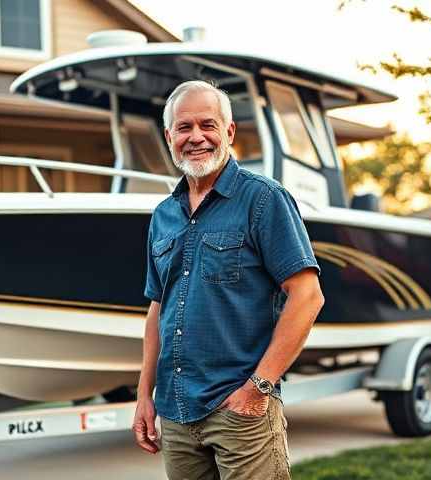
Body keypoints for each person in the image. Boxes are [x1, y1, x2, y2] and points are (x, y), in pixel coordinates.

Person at [132, 80, 325, 480]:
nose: (196, 137)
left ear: (230, 132)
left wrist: (259, 388)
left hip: (240, 410)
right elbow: (157, 310)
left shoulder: (264, 199)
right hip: (176, 412)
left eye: (208, 125)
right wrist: (144, 396)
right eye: (184, 128)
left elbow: (307, 297)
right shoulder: (162, 216)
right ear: (169, 137)